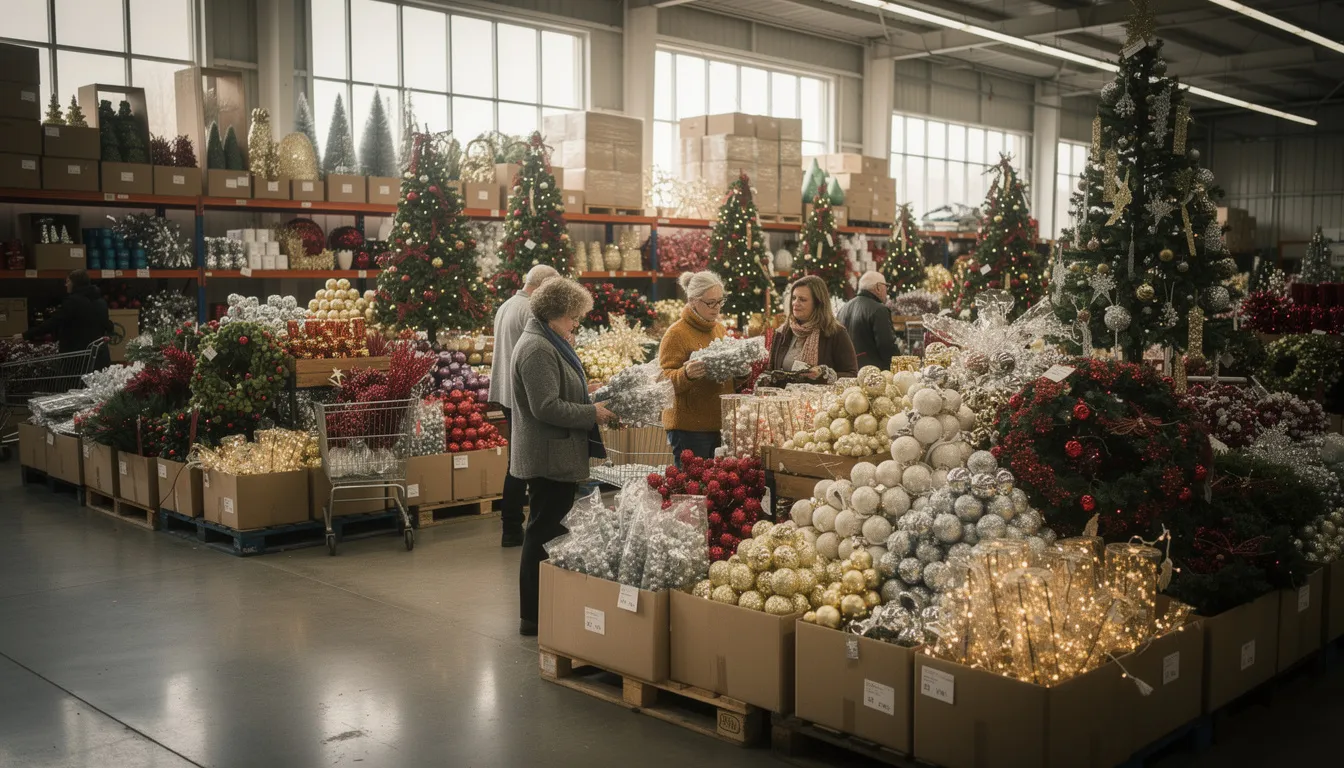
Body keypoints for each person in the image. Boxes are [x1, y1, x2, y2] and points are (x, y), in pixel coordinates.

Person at [511, 277, 616, 636]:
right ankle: (533, 615)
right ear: (555, 314)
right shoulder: (538, 349)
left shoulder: (549, 341)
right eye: (573, 317)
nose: (576, 324)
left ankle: (543, 609)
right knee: (543, 532)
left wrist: (587, 392)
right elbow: (545, 406)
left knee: (548, 529)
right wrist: (591, 413)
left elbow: (557, 391)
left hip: (553, 453)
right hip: (547, 456)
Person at [489, 264, 559, 548]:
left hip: (507, 392)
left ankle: (512, 526)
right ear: (542, 286)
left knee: (517, 460)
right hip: (523, 396)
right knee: (522, 463)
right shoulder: (531, 310)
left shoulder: (507, 305)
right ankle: (513, 527)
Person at [659, 271, 732, 466]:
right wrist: (686, 374)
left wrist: (741, 372)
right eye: (710, 303)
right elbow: (662, 381)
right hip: (689, 430)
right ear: (692, 301)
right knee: (691, 484)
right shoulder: (676, 334)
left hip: (719, 426)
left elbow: (727, 375)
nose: (716, 308)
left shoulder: (720, 329)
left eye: (720, 301)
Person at [767, 275, 857, 382]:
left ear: (818, 303)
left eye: (802, 299)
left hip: (821, 393)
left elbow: (851, 374)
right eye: (794, 298)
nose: (795, 303)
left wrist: (824, 374)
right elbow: (770, 371)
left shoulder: (836, 333)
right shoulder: (782, 332)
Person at [16, 269, 112, 370]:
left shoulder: (73, 302)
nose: (66, 285)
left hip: (78, 359)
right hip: (99, 357)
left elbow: (54, 322)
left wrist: (26, 335)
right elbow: (108, 326)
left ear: (75, 283)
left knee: (73, 380)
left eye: (68, 281)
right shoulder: (101, 302)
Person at [837, 270, 900, 372]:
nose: (887, 291)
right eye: (886, 286)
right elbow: (886, 346)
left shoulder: (843, 309)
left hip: (847, 372)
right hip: (873, 374)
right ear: (878, 287)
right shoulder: (879, 310)